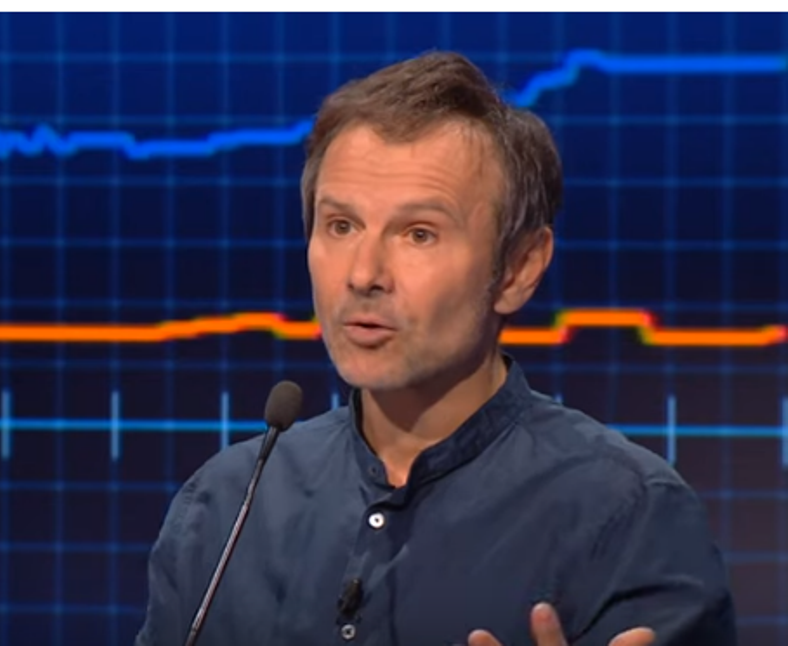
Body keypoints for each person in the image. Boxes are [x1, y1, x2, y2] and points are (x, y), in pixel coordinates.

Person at [134, 50, 737, 646]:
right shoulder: (227, 505)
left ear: (519, 268)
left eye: (418, 234)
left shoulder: (628, 517)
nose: (363, 274)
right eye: (341, 225)